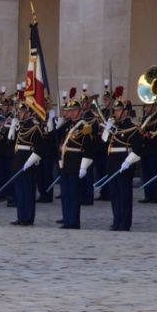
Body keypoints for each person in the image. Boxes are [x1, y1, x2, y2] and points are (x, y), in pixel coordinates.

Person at [102, 88, 142, 231]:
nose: (116, 112)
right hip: (112, 163)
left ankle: (125, 222)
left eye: (118, 110)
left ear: (125, 111)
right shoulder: (114, 127)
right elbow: (104, 144)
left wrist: (128, 162)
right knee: (114, 195)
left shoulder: (132, 128)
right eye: (116, 110)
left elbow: (137, 150)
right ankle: (116, 219)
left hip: (125, 164)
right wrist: (107, 129)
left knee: (124, 196)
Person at [57, 92, 94, 229]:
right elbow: (58, 140)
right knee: (65, 194)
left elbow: (88, 147)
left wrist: (84, 166)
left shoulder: (84, 126)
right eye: (69, 111)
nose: (70, 113)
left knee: (73, 194)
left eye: (72, 111)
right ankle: (67, 219)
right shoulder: (68, 126)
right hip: (66, 163)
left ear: (78, 111)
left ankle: (73, 221)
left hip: (76, 163)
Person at [9, 102, 43, 226]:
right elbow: (10, 143)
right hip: (17, 161)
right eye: (19, 112)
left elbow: (39, 148)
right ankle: (20, 216)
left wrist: (29, 162)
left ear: (28, 113)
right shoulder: (20, 126)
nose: (20, 114)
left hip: (28, 162)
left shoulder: (35, 127)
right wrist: (12, 129)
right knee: (19, 192)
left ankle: (28, 217)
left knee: (28, 191)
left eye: (22, 112)